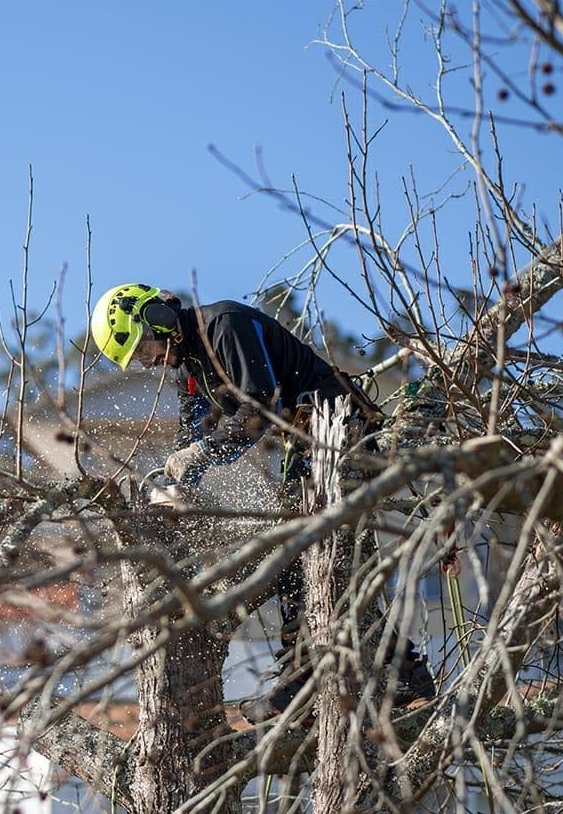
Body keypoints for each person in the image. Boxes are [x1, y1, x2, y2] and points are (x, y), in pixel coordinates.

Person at [89, 282, 435, 720]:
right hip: (308, 445)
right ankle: (388, 672)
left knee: (301, 552)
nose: (150, 359)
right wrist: (176, 481)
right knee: (316, 563)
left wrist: (198, 454)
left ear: (158, 317)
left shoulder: (224, 325)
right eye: (140, 358)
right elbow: (192, 437)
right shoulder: (189, 369)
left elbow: (258, 411)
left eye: (146, 346)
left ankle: (309, 672)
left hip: (339, 432)